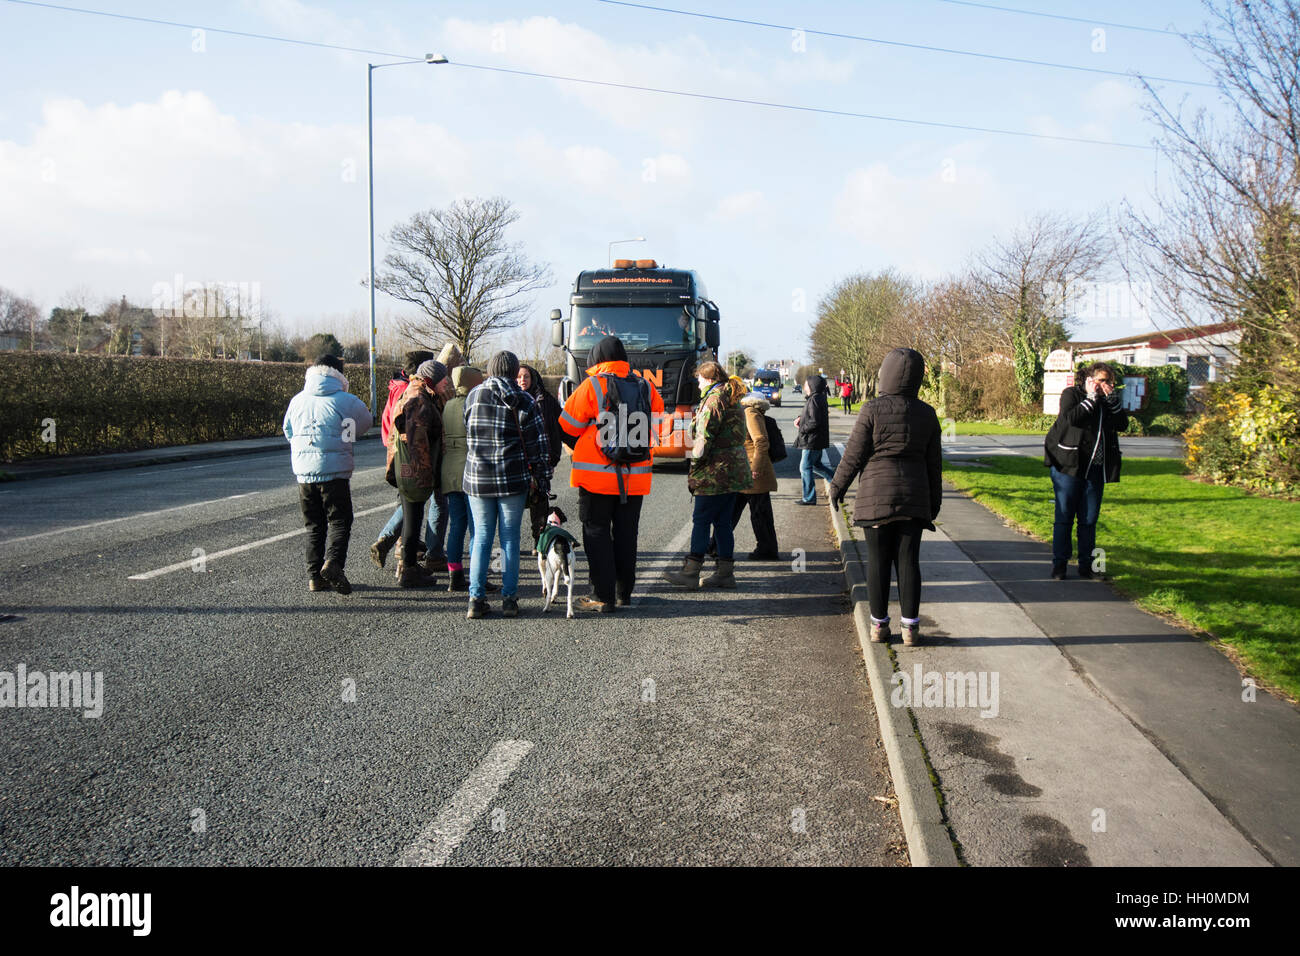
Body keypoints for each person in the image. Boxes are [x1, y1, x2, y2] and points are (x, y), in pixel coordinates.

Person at [828, 348, 942, 646]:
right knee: (908, 562)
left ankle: (879, 626)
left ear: (885, 374)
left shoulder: (871, 410)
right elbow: (934, 464)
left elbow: (853, 455)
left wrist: (837, 487)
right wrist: (934, 502)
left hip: (875, 496)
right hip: (914, 498)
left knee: (877, 562)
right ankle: (910, 629)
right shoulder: (927, 414)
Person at [558, 335, 664, 612]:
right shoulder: (645, 386)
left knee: (597, 532)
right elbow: (660, 426)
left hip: (597, 475)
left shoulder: (592, 385)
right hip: (636, 476)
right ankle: (623, 593)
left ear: (596, 359)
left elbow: (566, 425)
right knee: (627, 534)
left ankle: (600, 595)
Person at [463, 351, 552, 619]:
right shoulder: (523, 399)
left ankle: (475, 599)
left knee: (481, 537)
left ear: (490, 369)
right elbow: (538, 444)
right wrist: (542, 477)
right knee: (510, 538)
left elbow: (468, 429)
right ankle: (509, 599)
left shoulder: (473, 395)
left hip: (478, 476)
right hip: (512, 477)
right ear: (515, 372)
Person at [283, 354, 373, 594]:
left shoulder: (297, 400)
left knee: (313, 525)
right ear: (339, 374)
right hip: (334, 472)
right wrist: (346, 435)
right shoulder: (346, 400)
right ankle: (333, 563)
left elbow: (288, 430)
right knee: (340, 520)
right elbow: (365, 422)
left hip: (304, 473)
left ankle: (314, 577)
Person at [663, 360, 751, 589]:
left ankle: (691, 572)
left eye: (700, 379)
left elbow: (703, 439)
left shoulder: (713, 400)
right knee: (722, 522)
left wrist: (695, 466)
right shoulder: (729, 396)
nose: (698, 383)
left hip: (716, 471)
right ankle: (725, 573)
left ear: (709, 379)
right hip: (733, 469)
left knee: (701, 520)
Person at [1043, 361, 1127, 580]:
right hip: (1068, 467)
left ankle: (1087, 567)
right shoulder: (1072, 394)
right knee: (1064, 518)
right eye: (1101, 380)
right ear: (1089, 379)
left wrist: (1112, 401)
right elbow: (1071, 419)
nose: (1106, 385)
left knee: (1089, 520)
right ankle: (1059, 566)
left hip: (1095, 470)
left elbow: (1122, 424)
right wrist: (1090, 398)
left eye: (1109, 381)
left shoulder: (1109, 401)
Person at [369, 350, 433, 571]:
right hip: (407, 452)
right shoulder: (411, 391)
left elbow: (387, 419)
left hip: (395, 449)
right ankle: (392, 540)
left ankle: (400, 543)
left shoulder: (396, 387)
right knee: (412, 502)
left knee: (407, 501)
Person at [385, 359, 447, 588]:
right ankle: (409, 570)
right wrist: (424, 473)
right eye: (443, 379)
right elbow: (416, 439)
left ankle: (410, 566)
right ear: (432, 379)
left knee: (414, 516)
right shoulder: (418, 398)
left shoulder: (419, 393)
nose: (446, 382)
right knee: (412, 518)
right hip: (413, 469)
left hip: (409, 467)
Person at [440, 365, 484, 592]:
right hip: (471, 469)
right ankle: (480, 576)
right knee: (478, 528)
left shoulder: (447, 404)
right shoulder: (474, 403)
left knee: (457, 525)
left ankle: (454, 573)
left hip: (449, 471)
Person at [732, 376, 781, 560]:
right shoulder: (749, 411)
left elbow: (760, 441)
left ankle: (767, 550)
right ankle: (715, 545)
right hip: (746, 470)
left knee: (759, 515)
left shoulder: (749, 412)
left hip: (753, 471)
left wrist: (756, 467)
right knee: (736, 512)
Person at [517, 363, 564, 550]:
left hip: (540, 461)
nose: (522, 380)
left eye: (526, 376)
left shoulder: (546, 400)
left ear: (533, 378)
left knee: (539, 504)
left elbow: (557, 429)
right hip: (517, 461)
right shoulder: (509, 399)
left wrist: (553, 458)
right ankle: (510, 546)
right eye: (518, 377)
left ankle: (539, 542)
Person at [795, 373, 835, 505]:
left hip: (811, 440)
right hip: (816, 439)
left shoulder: (815, 399)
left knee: (805, 467)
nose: (805, 386)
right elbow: (810, 415)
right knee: (817, 465)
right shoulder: (817, 398)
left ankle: (809, 498)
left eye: (806, 383)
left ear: (812, 385)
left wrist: (802, 428)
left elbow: (814, 421)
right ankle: (837, 482)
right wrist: (800, 419)